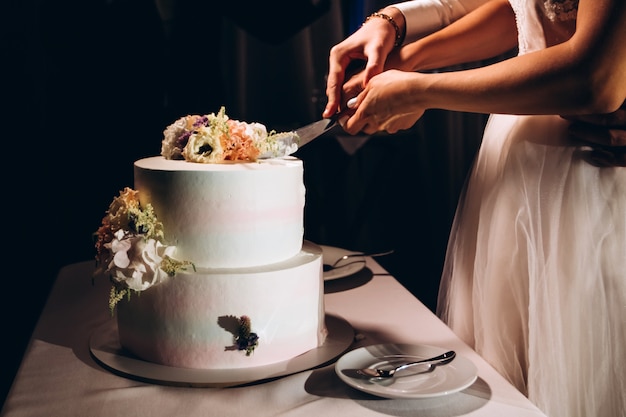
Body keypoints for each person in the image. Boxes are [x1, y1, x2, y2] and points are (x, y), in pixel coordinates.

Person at [324, 1, 626, 417]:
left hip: (588, 173)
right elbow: (527, 9)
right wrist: (409, 57)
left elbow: (594, 79)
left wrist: (418, 90)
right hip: (513, 170)